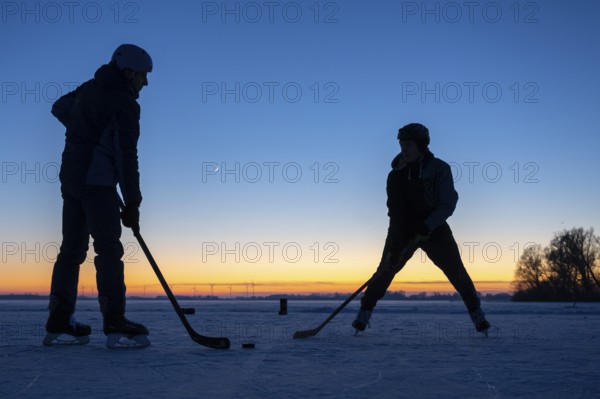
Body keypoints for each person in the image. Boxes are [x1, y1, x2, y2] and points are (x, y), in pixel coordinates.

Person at [43, 44, 153, 348]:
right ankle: (114, 318)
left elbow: (60, 107)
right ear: (128, 72)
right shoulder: (125, 104)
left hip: (72, 179)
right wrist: (133, 203)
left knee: (72, 250)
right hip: (98, 183)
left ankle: (59, 317)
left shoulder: (90, 89)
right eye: (143, 76)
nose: (145, 83)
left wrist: (87, 131)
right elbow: (126, 157)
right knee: (108, 249)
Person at [352, 123, 491, 335]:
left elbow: (448, 202)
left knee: (457, 273)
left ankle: (477, 315)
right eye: (401, 145)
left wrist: (427, 225)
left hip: (435, 229)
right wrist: (398, 239)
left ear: (421, 145)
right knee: (384, 271)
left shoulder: (440, 169)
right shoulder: (395, 175)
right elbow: (395, 210)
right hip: (403, 230)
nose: (404, 149)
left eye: (408, 145)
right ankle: (364, 313)